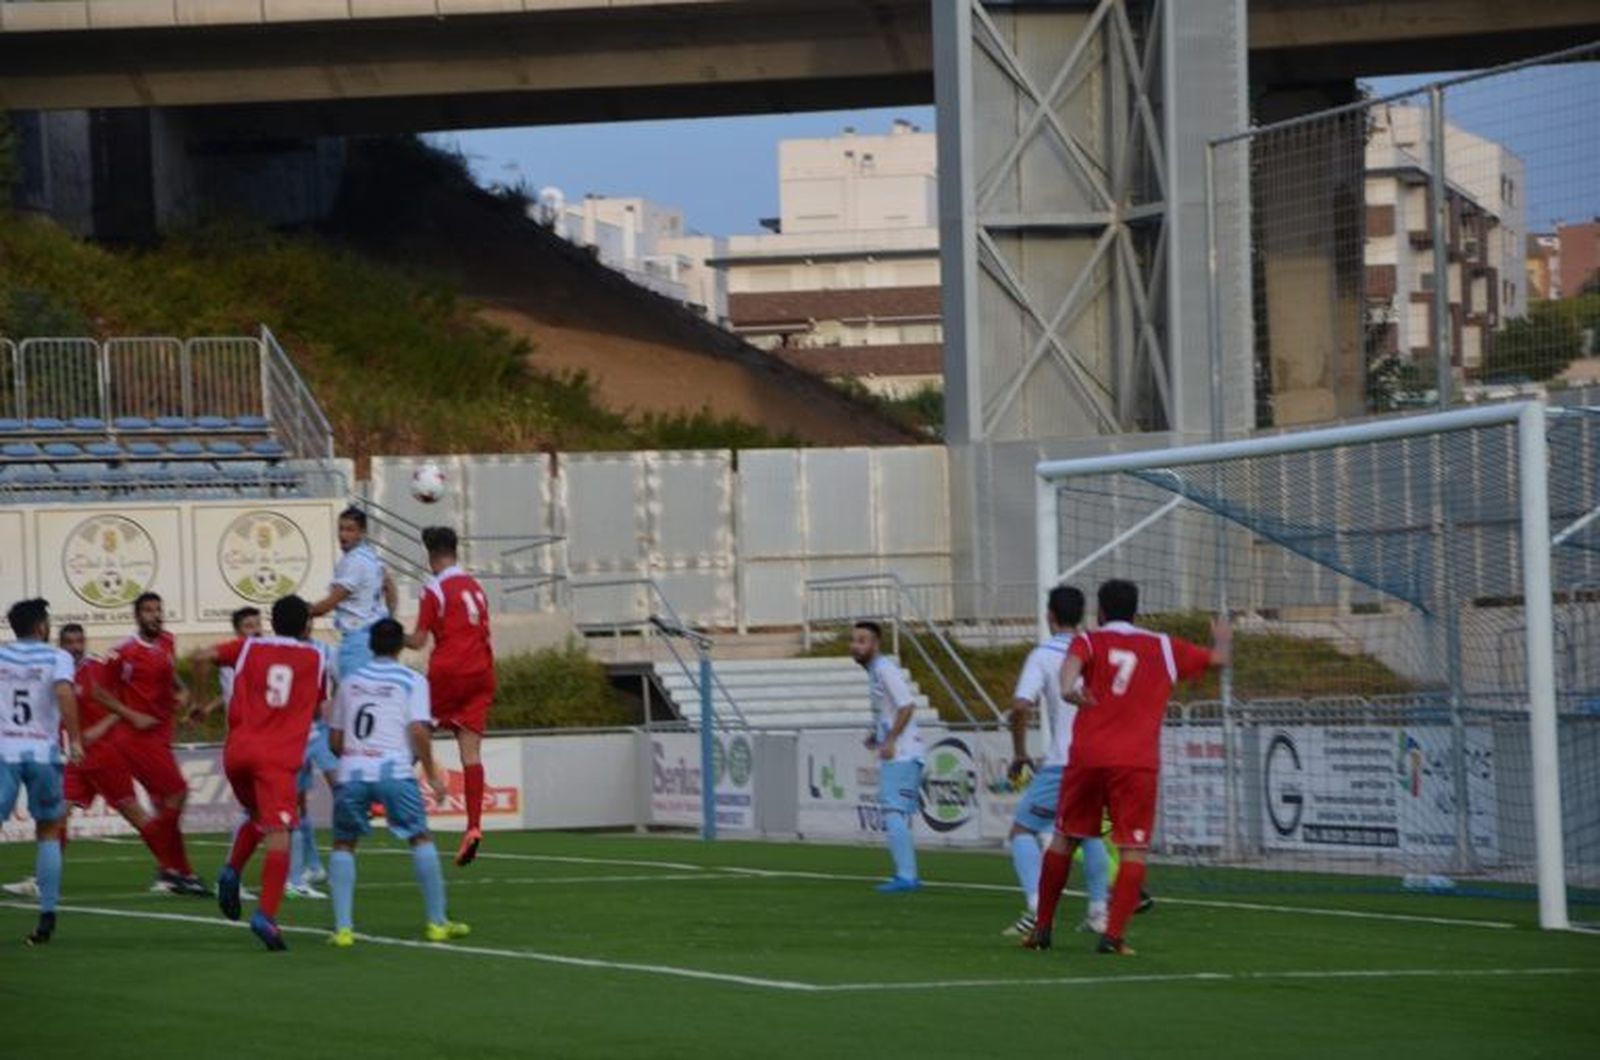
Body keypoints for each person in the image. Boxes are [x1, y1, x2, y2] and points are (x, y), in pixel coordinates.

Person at [1024, 579, 1229, 956]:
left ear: (1100, 612)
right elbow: (1218, 661)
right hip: (1135, 761)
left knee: (1064, 838)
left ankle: (1042, 930)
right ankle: (1113, 936)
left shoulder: (1090, 640)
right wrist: (1222, 639)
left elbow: (1069, 672)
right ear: (1137, 610)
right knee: (1132, 848)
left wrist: (1070, 690)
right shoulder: (1163, 646)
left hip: (1087, 756)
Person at [193, 595, 329, 951]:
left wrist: (198, 701)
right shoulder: (316, 656)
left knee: (256, 815)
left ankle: (231, 869)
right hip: (276, 757)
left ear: (272, 622)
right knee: (280, 831)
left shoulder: (249, 647)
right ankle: (266, 915)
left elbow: (201, 657)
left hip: (237, 751)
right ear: (306, 626)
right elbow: (323, 708)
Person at [326, 619, 469, 946]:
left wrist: (355, 756)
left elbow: (335, 739)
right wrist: (432, 774)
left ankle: (344, 929)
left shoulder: (349, 682)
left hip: (352, 772)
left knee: (344, 844)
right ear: (400, 646)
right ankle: (437, 923)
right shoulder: (412, 680)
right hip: (394, 770)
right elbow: (419, 730)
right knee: (420, 837)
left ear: (371, 646)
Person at [3, 624, 169, 900]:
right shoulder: (56, 667)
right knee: (57, 816)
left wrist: (98, 729)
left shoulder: (99, 668)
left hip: (106, 756)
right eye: (69, 641)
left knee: (135, 815)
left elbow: (126, 705)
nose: (75, 646)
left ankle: (171, 870)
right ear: (60, 642)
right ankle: (41, 880)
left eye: (79, 641)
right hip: (77, 758)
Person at [1002, 585, 1114, 937]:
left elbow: (1021, 706)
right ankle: (1099, 913)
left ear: (1049, 615)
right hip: (1100, 759)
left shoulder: (1043, 655)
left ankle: (1038, 907)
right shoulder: (1098, 650)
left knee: (1022, 829)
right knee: (1088, 833)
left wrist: (1020, 753)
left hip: (1063, 760)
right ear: (1082, 615)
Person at [97, 592, 207, 896]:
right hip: (135, 737)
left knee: (166, 801)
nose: (155, 615)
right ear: (137, 616)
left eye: (158, 610)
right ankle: (163, 854)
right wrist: (131, 714)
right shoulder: (123, 652)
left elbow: (172, 679)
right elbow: (100, 692)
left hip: (160, 734)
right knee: (179, 793)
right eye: (148, 610)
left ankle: (179, 872)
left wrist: (182, 692)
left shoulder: (168, 641)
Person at [406, 526, 495, 867]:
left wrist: (386, 637)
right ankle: (473, 826)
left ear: (430, 555)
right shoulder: (475, 586)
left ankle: (386, 793)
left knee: (415, 729)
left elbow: (417, 641)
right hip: (482, 672)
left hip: (449, 671)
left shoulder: (434, 589)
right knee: (470, 753)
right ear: (455, 551)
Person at [0, 598, 83, 945]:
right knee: (48, 830)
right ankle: (47, 915)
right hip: (43, 752)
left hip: (5, 751)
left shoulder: (2, 655)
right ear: (41, 627)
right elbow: (63, 692)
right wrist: (75, 739)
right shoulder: (57, 657)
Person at [849, 620, 923, 893]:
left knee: (893, 811)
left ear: (875, 644)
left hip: (903, 753)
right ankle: (907, 874)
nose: (855, 645)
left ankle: (907, 877)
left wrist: (891, 739)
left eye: (862, 640)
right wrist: (877, 735)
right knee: (894, 811)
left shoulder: (884, 669)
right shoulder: (875, 672)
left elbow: (907, 706)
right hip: (900, 751)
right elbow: (891, 710)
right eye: (854, 640)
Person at [310, 507, 397, 679]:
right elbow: (389, 586)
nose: (343, 534)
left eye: (350, 529)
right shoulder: (371, 556)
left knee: (352, 697)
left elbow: (330, 603)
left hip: (358, 640)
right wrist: (389, 618)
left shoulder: (354, 561)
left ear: (362, 532)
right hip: (376, 638)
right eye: (341, 529)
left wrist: (300, 612)